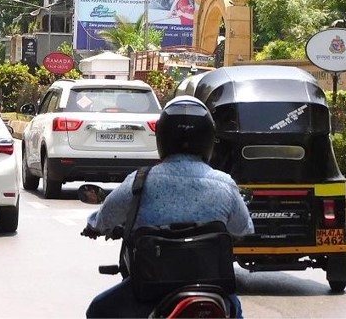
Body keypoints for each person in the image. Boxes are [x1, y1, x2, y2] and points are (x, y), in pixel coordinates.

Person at [82, 96, 253, 318]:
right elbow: (243, 229)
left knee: (98, 310)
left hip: (150, 291)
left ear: (162, 137)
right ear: (208, 139)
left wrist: (94, 227)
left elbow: (105, 218)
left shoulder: (139, 182)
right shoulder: (225, 184)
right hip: (212, 291)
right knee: (234, 309)